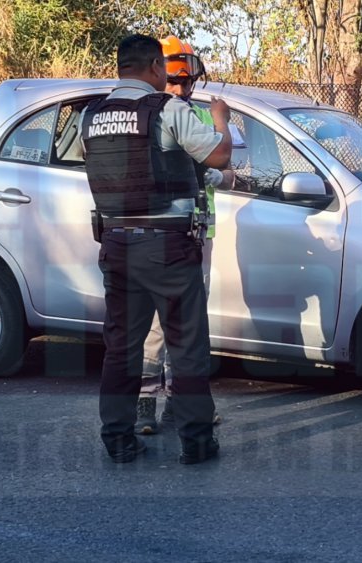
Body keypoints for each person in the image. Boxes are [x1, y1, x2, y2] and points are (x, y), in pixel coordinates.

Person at [81, 34, 232, 464]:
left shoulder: (89, 117)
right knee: (186, 346)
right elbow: (220, 155)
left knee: (121, 348)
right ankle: (198, 443)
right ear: (153, 68)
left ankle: (118, 440)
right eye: (164, 68)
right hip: (167, 245)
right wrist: (220, 118)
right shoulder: (167, 109)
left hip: (116, 244)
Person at [135, 35, 234, 434]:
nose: (180, 89)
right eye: (174, 82)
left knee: (180, 323)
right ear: (160, 75)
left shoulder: (193, 116)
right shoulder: (159, 115)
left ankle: (176, 404)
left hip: (194, 232)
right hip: (166, 233)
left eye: (186, 82)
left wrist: (219, 176)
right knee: (162, 325)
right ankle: (149, 405)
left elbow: (226, 168)